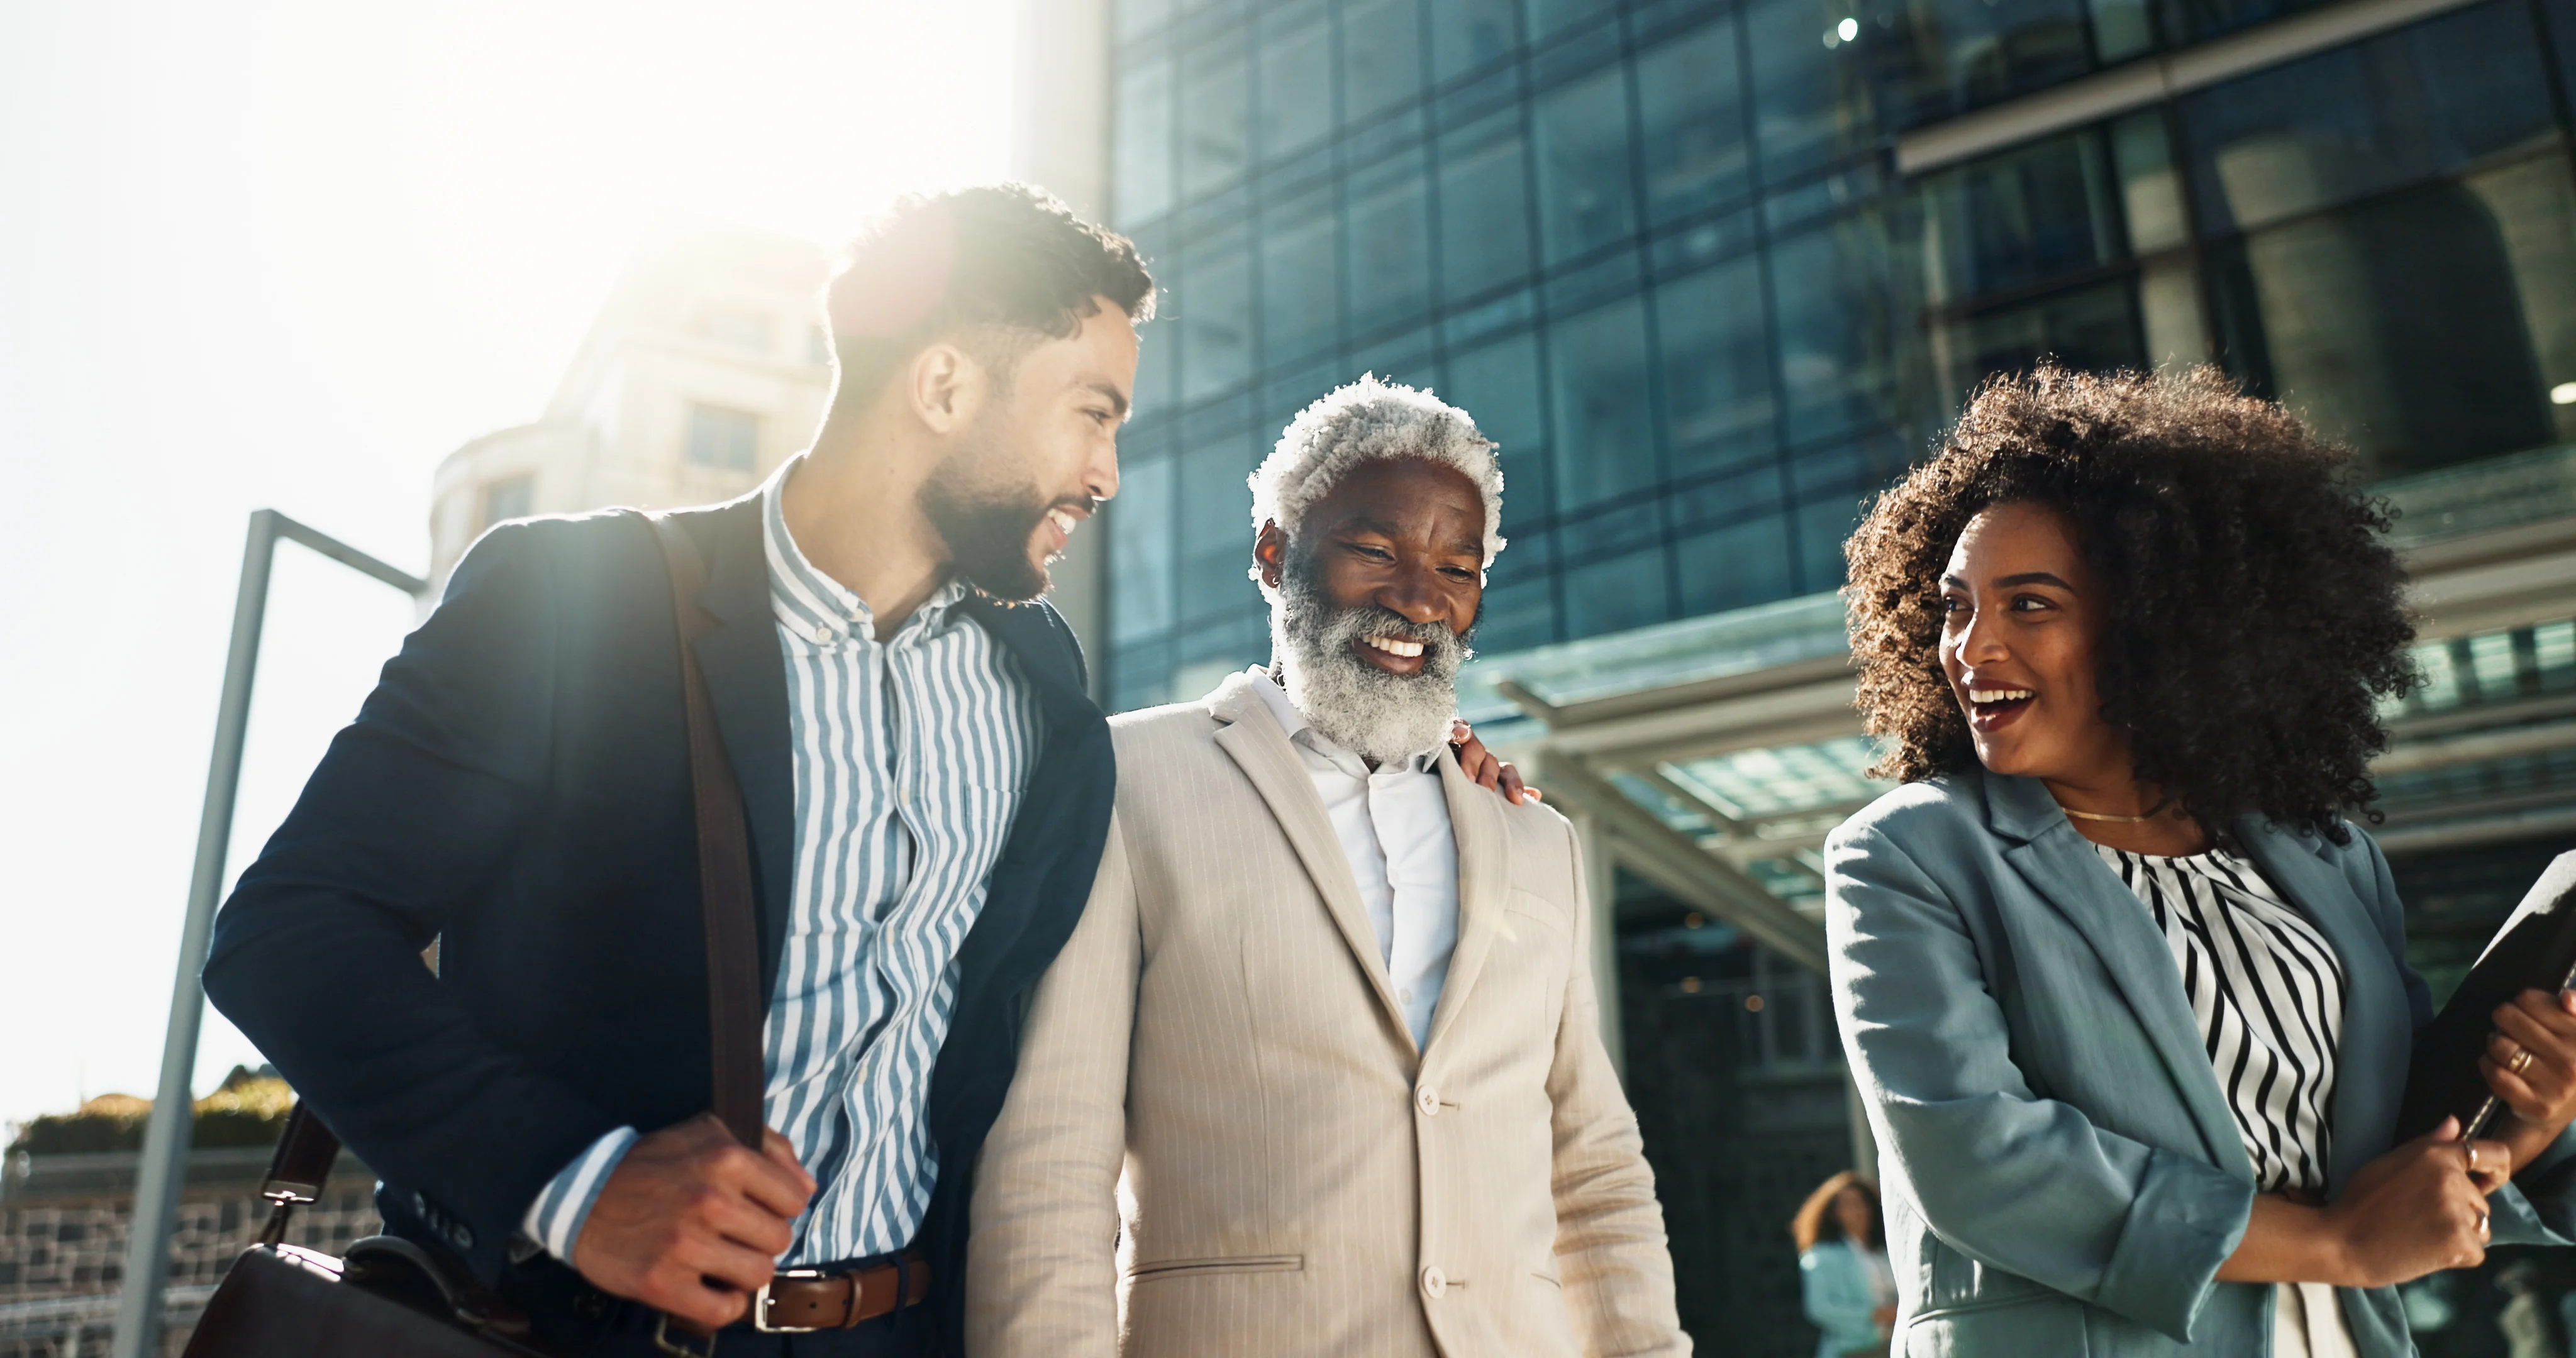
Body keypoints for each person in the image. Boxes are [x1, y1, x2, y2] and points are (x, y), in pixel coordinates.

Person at [199, 185, 1158, 1357]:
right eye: (1091, 412)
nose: (1105, 472)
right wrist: (576, 1181)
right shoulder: (570, 602)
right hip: (568, 1330)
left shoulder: (1039, 680)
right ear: (944, 385)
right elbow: (290, 928)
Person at [1824, 365, 2576, 1356]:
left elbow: (2372, 1147)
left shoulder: (2326, 857)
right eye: (1957, 607)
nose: (1970, 647)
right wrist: (2335, 1243)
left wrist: (2506, 1133)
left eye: (2030, 606)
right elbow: (1980, 1160)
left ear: (2158, 624)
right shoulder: (1907, 855)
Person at [965, 376, 1689, 1357]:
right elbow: (1051, 1157)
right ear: (1274, 554)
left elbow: (1594, 1169)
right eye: (1374, 549)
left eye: (1457, 566)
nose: (1419, 596)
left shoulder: (1535, 838)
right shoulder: (1127, 781)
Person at [1793, 1172, 1893, 1358]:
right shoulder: (1821, 1256)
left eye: (1862, 1203)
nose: (1859, 1211)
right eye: (1849, 1205)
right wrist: (1875, 1315)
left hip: (1896, 1345)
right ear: (1834, 1213)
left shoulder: (1886, 1251)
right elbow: (1820, 1308)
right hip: (1854, 1350)